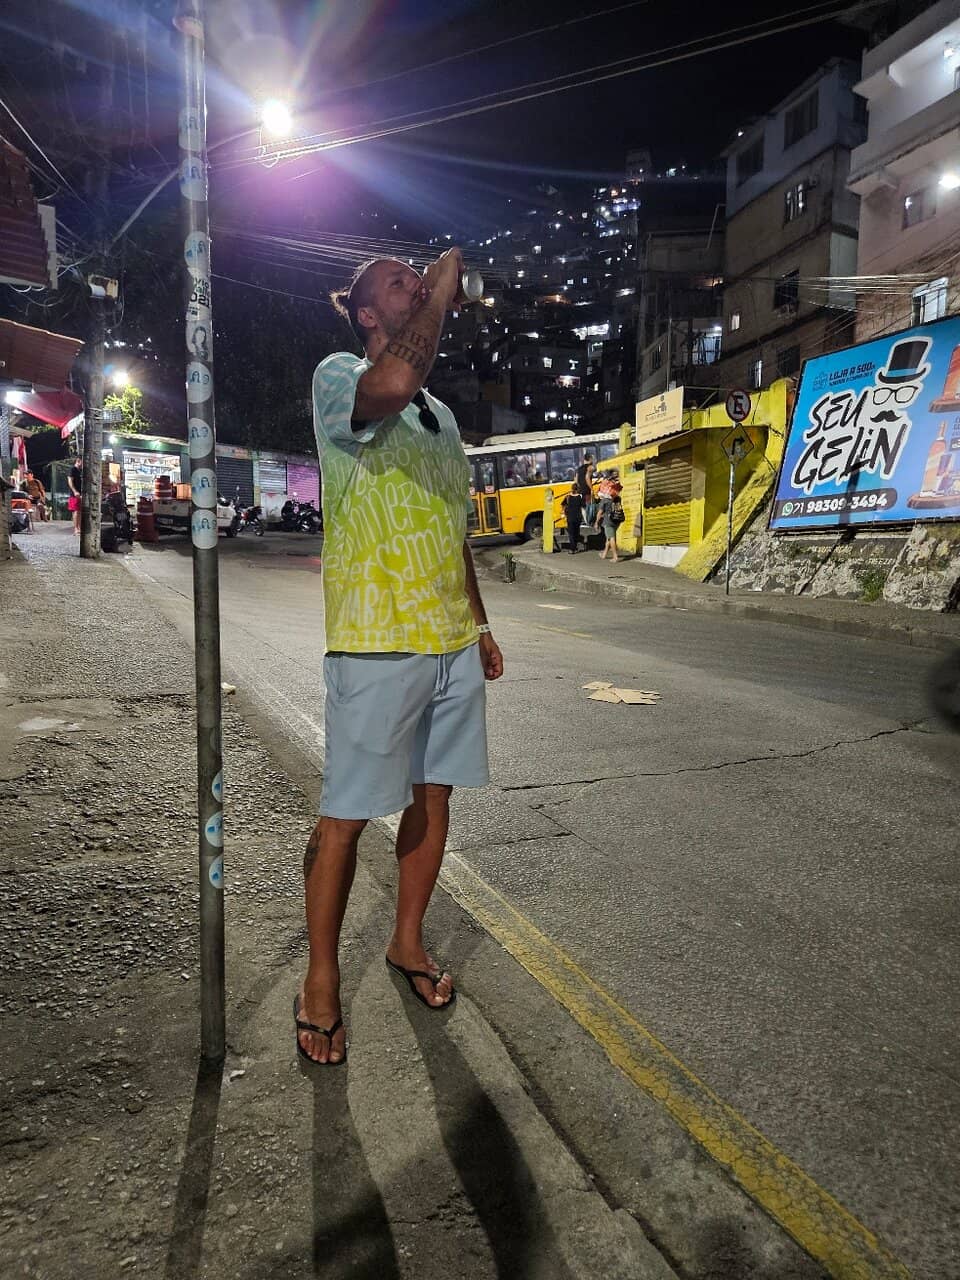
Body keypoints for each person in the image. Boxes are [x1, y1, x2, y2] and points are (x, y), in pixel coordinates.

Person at [297, 248, 504, 1066]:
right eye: (397, 283)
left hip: (449, 641)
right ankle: (319, 981)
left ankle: (406, 944)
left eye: (418, 279)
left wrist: (480, 624)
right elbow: (389, 386)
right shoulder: (341, 375)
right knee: (345, 816)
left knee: (434, 799)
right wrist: (443, 289)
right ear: (365, 312)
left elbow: (453, 530)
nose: (414, 285)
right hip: (377, 638)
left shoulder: (441, 418)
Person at [595, 470, 624, 562]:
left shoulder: (604, 501)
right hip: (617, 520)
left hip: (608, 521)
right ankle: (604, 554)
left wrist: (596, 522)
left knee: (611, 538)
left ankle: (615, 557)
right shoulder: (617, 498)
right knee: (609, 537)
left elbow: (599, 513)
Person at [561, 485, 585, 553]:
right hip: (578, 518)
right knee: (576, 533)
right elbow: (583, 506)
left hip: (570, 517)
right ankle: (575, 547)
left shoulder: (568, 497)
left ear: (572, 489)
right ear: (578, 489)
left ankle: (572, 549)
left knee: (571, 534)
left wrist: (563, 513)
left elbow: (562, 504)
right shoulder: (580, 497)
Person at [68, 456, 82, 533]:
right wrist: (74, 491)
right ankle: (76, 529)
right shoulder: (72, 469)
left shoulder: (80, 471)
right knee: (76, 511)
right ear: (78, 461)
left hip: (80, 492)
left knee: (79, 511)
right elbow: (70, 481)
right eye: (82, 462)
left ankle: (79, 527)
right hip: (75, 493)